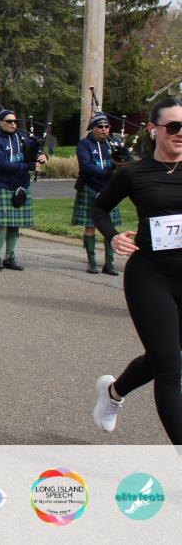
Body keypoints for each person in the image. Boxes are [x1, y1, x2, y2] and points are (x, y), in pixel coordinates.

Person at [90, 97, 182, 445]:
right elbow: (100, 208)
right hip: (151, 275)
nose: (180, 133)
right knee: (171, 369)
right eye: (174, 127)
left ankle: (113, 392)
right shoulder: (133, 173)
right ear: (153, 129)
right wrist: (113, 236)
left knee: (164, 357)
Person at [0, 109, 48, 271]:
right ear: (1, 123)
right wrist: (26, 167)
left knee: (15, 225)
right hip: (4, 185)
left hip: (21, 185)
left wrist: (42, 155)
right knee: (2, 224)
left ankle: (10, 257)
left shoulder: (22, 138)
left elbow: (31, 156)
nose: (13, 124)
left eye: (15, 121)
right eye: (9, 121)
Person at [72, 113, 121, 275]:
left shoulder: (114, 143)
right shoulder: (84, 145)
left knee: (109, 227)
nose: (104, 129)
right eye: (100, 126)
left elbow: (124, 163)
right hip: (89, 188)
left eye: (107, 126)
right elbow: (86, 166)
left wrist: (123, 155)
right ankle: (92, 262)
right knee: (90, 226)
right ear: (93, 128)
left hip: (110, 190)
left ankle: (109, 264)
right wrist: (108, 174)